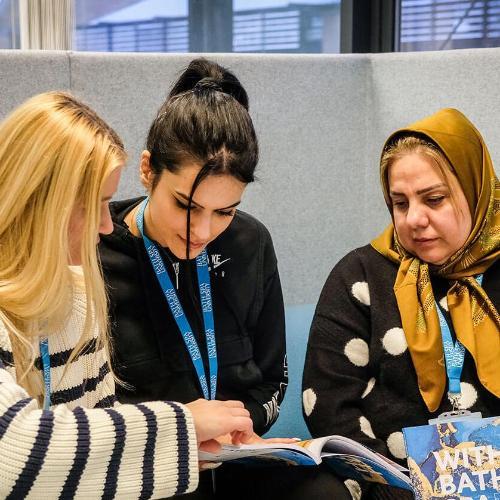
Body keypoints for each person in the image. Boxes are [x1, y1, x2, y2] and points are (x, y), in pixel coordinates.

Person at [99, 58, 352, 499]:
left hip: (233, 461)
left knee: (324, 491)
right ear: (147, 171)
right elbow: (79, 411)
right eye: (185, 205)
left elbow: (271, 380)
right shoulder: (96, 249)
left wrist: (243, 427)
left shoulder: (250, 243)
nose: (202, 232)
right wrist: (178, 435)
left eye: (224, 212)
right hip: (145, 466)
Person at [0, 91, 254, 499]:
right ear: (38, 204)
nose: (106, 226)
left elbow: (100, 424)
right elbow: (11, 454)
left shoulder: (77, 295)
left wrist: (186, 448)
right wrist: (183, 425)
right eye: (95, 205)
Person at [303, 108, 499, 499]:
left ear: (476, 190)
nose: (414, 219)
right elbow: (327, 403)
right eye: (400, 203)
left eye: (434, 199)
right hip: (388, 483)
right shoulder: (361, 274)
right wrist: (394, 484)